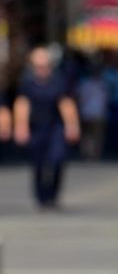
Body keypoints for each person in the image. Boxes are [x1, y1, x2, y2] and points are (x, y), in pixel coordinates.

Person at [13, 47, 80, 210]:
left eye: (44, 65)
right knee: (38, 163)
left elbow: (65, 103)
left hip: (55, 126)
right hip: (36, 126)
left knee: (57, 160)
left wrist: (72, 125)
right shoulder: (27, 82)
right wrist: (21, 126)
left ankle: (53, 195)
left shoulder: (58, 81)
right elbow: (22, 104)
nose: (41, 68)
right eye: (38, 65)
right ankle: (41, 197)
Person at [76, 58, 108, 161]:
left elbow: (80, 97)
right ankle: (94, 154)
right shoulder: (102, 84)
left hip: (87, 111)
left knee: (88, 135)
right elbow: (105, 99)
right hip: (97, 112)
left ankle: (87, 153)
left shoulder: (84, 84)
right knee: (95, 135)